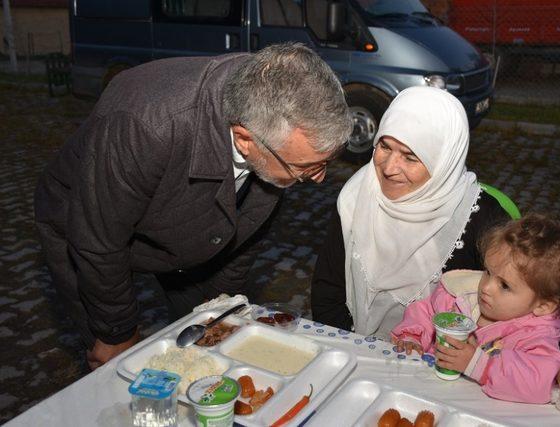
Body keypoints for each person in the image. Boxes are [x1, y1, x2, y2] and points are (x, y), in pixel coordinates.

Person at [34, 43, 352, 370]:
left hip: (186, 222)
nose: (318, 179)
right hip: (87, 223)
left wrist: (217, 306)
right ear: (245, 140)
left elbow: (245, 235)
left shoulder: (272, 117)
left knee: (210, 335)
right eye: (307, 167)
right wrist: (116, 332)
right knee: (116, 358)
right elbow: (98, 241)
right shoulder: (145, 124)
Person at [310, 85, 560, 408]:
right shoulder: (357, 197)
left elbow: (541, 287)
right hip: (365, 360)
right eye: (384, 146)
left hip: (446, 384)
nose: (389, 167)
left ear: (443, 160)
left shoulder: (481, 218)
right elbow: (327, 293)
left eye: (410, 156)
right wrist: (356, 360)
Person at [391, 213, 560, 404]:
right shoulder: (461, 296)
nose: (486, 287)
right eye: (488, 272)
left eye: (505, 285)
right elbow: (426, 311)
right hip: (423, 394)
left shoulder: (535, 335)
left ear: (543, 305)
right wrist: (412, 336)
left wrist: (479, 364)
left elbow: (539, 380)